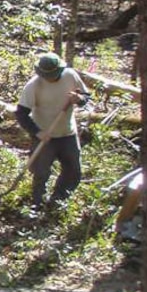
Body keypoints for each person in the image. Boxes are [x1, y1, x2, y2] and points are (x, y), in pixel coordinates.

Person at [15, 52, 91, 210]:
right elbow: (21, 114)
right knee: (41, 172)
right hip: (44, 136)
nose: (50, 78)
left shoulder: (70, 75)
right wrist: (37, 132)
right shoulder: (33, 86)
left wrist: (79, 99)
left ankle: (57, 201)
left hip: (68, 133)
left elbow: (85, 96)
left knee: (73, 171)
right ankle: (37, 205)